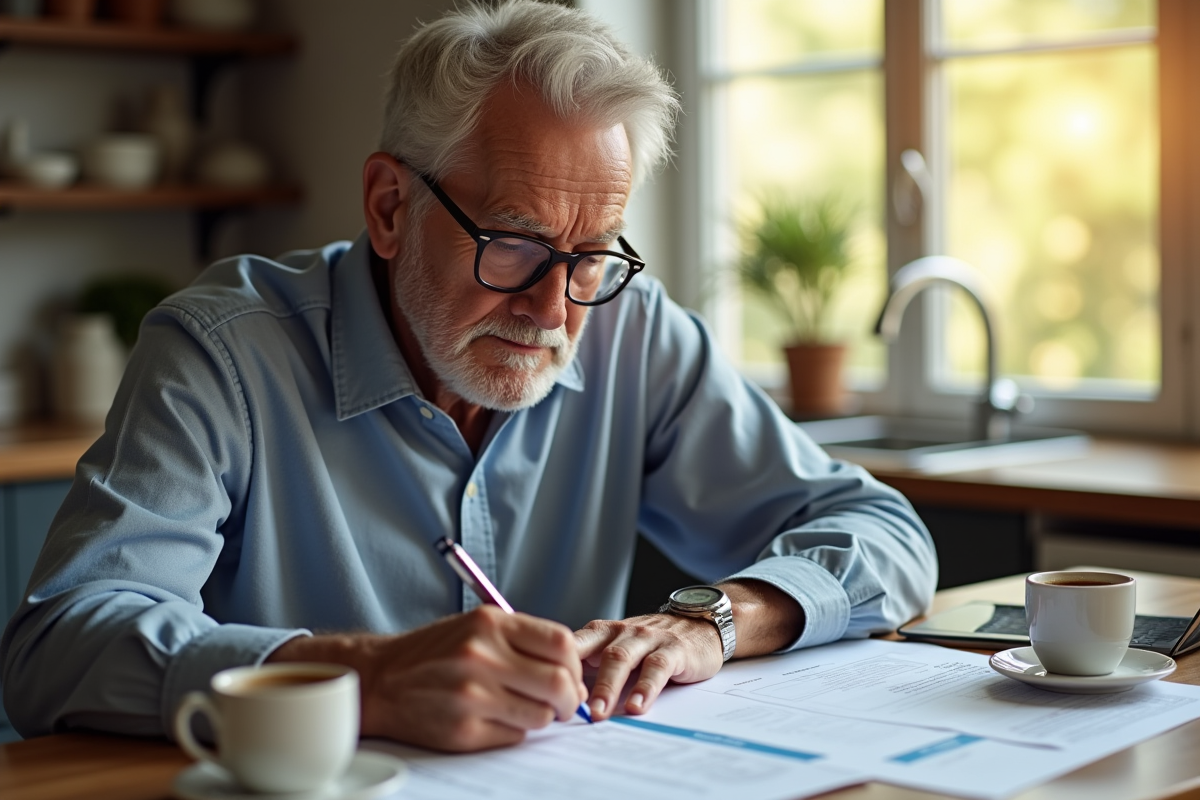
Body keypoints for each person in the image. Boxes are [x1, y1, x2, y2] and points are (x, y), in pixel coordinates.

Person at [1, 1, 937, 753]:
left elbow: (884, 533)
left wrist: (714, 621)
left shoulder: (633, 332)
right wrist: (364, 678)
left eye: (591, 255)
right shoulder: (225, 351)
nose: (553, 308)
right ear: (389, 207)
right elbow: (58, 648)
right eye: (515, 244)